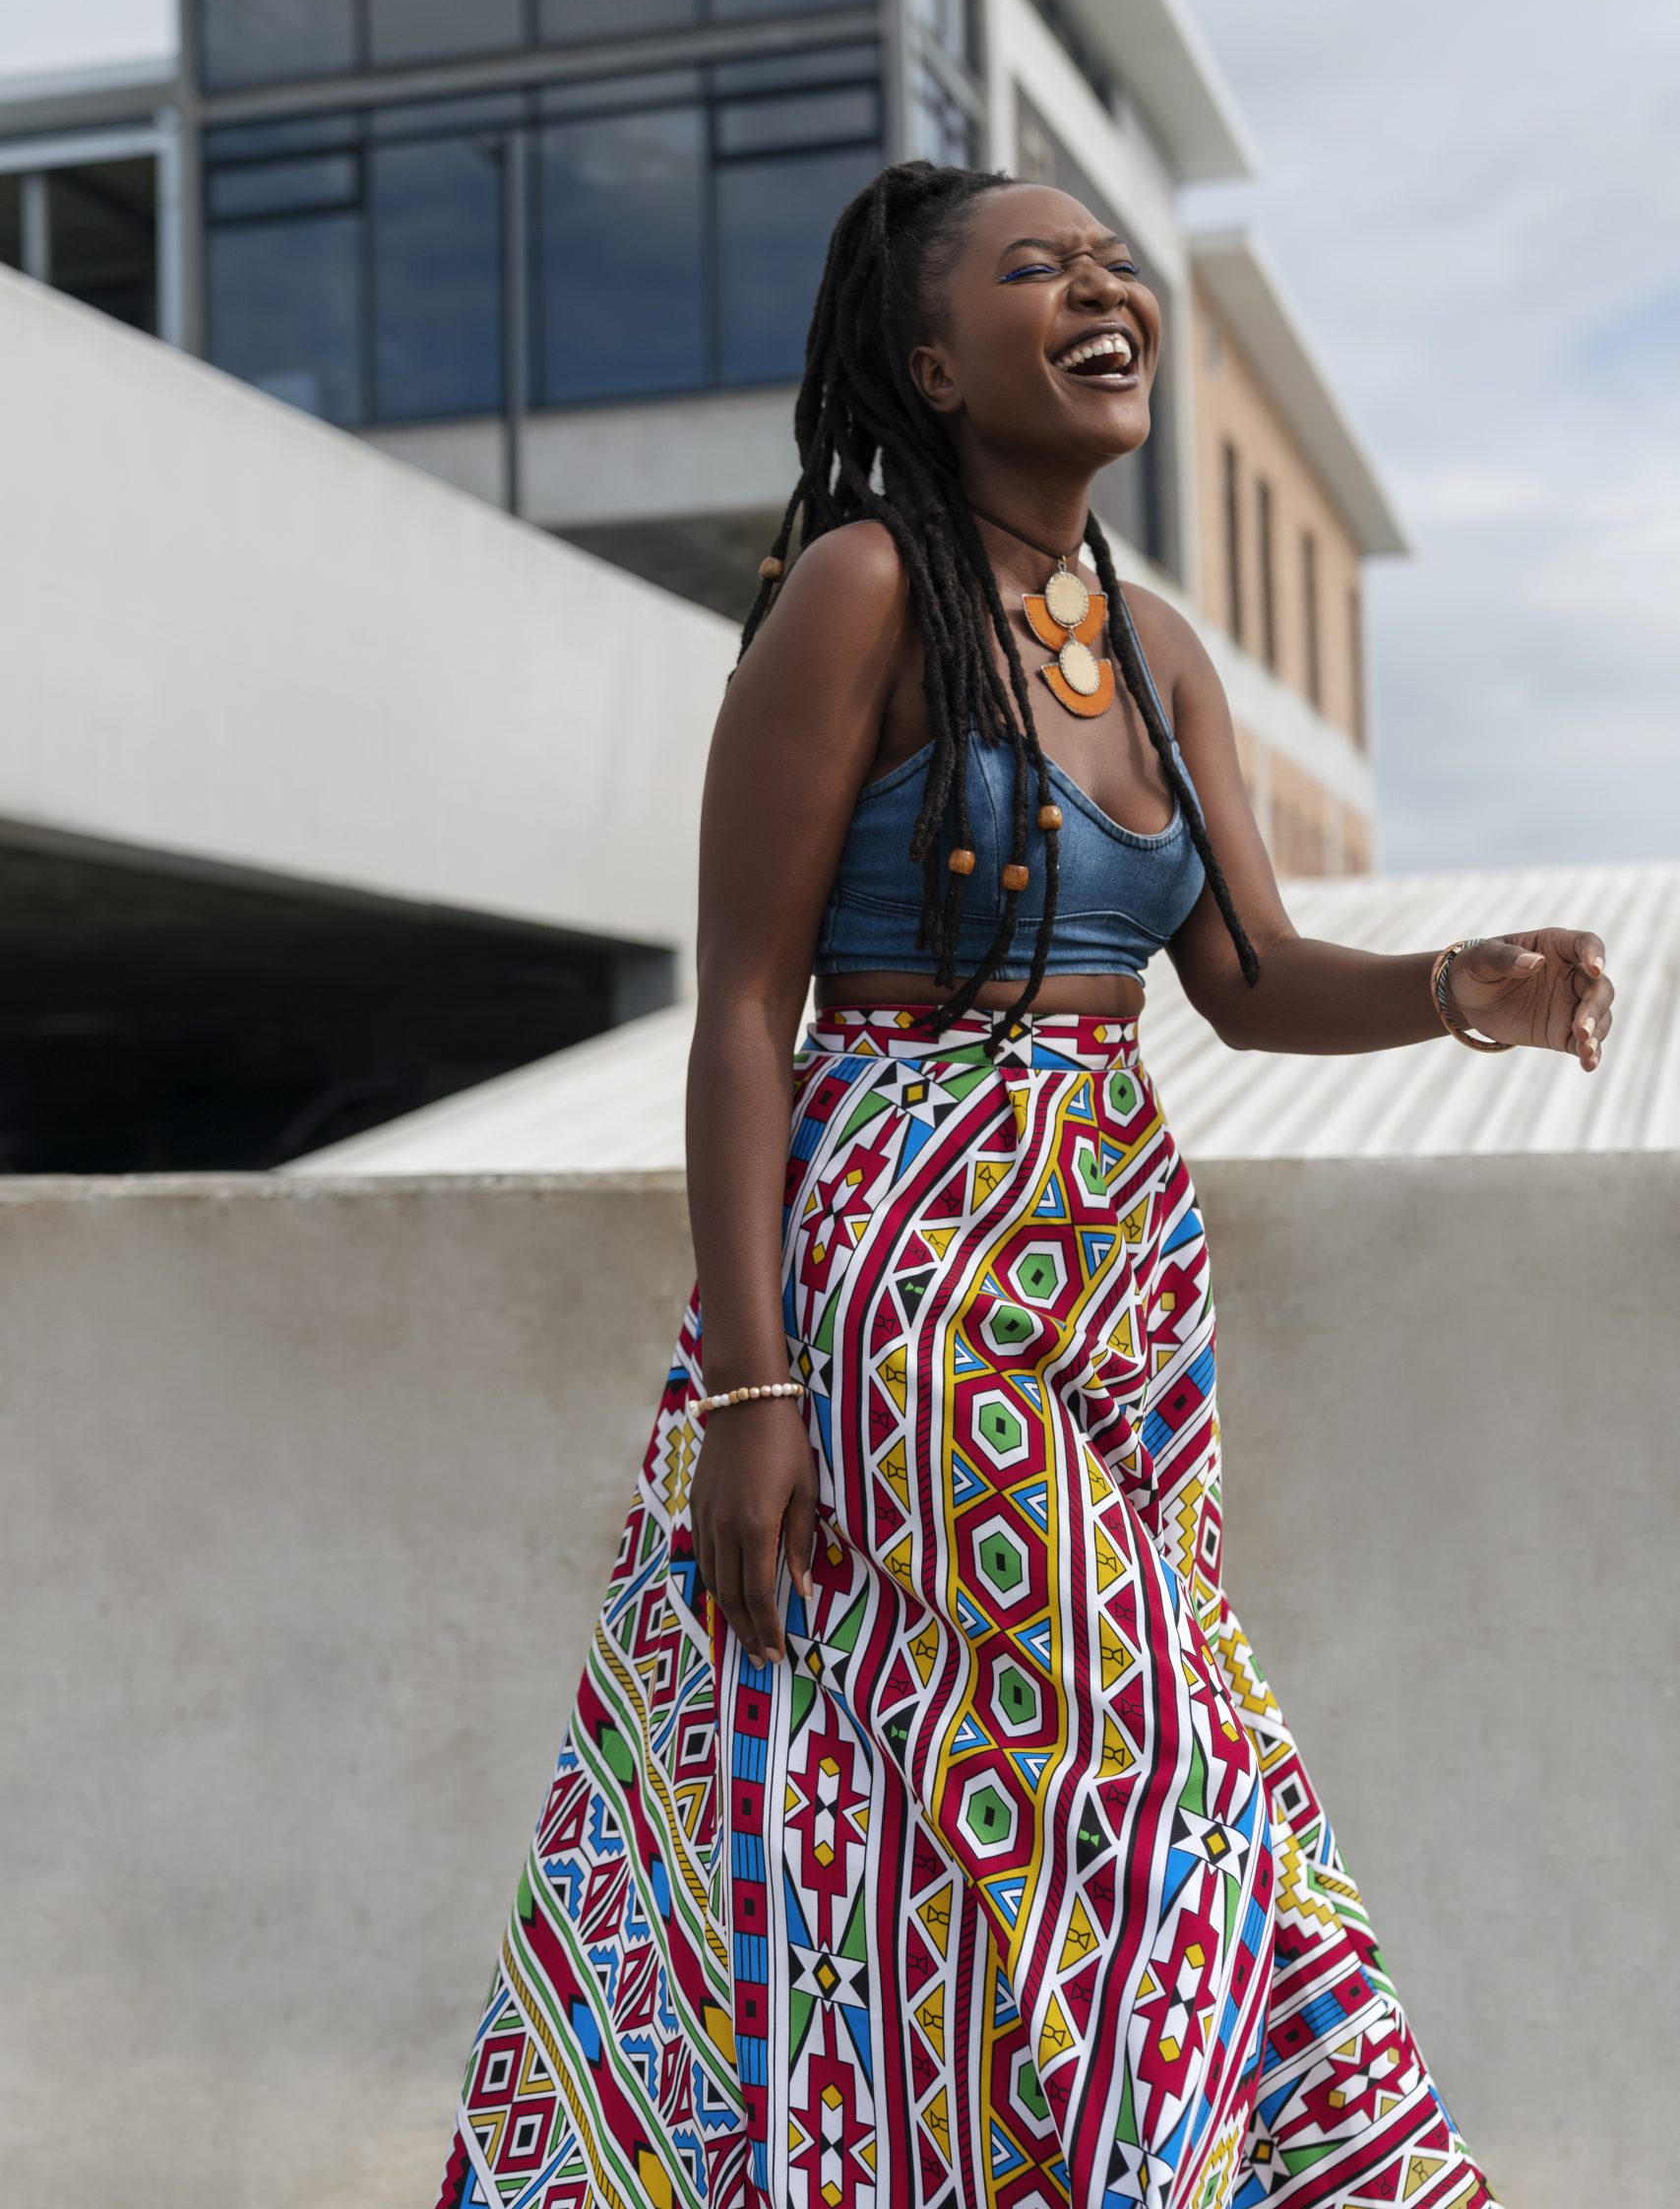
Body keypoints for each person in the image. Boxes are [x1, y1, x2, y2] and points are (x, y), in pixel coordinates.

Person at [435, 162, 1612, 2209]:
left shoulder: (1158, 647)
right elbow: (737, 1008)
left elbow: (1237, 980)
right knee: (1155, 1765)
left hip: (1114, 1272)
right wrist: (748, 1385)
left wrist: (1450, 987)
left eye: (1112, 262)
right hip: (906, 1257)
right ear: (926, 357)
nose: (1101, 292)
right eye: (1032, 268)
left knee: (1015, 1805)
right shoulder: (861, 588)